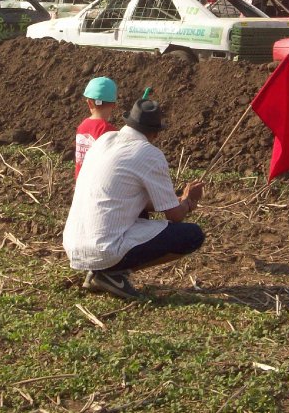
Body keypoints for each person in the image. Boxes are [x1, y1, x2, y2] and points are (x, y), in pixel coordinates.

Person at [63, 95, 205, 300]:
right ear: (155, 133)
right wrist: (187, 201)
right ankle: (111, 273)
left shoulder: (104, 140)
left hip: (74, 244)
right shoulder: (149, 154)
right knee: (192, 235)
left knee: (143, 213)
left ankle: (101, 271)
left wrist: (176, 200)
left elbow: (131, 198)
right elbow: (174, 216)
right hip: (104, 249)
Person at [75, 77, 118, 179]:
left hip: (81, 185)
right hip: (98, 185)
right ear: (114, 105)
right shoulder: (109, 131)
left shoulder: (82, 126)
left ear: (89, 103)